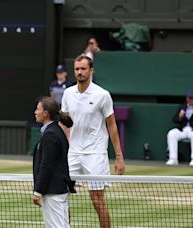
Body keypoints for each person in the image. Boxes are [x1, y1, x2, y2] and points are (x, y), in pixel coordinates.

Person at [61, 55, 125, 228]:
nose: (80, 72)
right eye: (77, 69)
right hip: (73, 153)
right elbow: (64, 123)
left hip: (95, 153)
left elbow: (112, 126)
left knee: (97, 200)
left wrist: (119, 156)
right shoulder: (68, 93)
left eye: (83, 69)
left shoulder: (102, 95)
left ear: (91, 71)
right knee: (60, 196)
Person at [32, 96, 75, 228]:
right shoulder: (56, 131)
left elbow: (46, 165)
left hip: (53, 191)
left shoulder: (50, 134)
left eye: (38, 109)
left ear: (45, 114)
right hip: (59, 189)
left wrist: (37, 191)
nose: (35, 112)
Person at [166, 89, 193, 167]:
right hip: (183, 129)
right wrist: (180, 117)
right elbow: (174, 119)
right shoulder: (182, 106)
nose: (189, 100)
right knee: (171, 133)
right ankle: (173, 158)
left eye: (191, 98)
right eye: (188, 98)